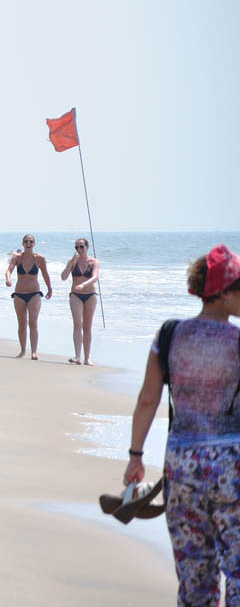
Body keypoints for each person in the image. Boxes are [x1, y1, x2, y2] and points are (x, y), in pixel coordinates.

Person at [124, 245, 240, 605]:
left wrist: (135, 456)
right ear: (221, 293)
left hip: (182, 466)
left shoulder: (169, 334)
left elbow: (147, 399)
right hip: (231, 467)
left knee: (194, 572)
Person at [5, 234, 52, 360]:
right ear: (23, 243)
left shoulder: (39, 258)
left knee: (33, 323)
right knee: (21, 323)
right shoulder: (17, 258)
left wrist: (49, 289)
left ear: (34, 243)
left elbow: (45, 274)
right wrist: (8, 279)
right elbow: (9, 270)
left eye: (30, 241)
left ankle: (34, 352)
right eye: (26, 241)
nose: (28, 243)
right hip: (19, 294)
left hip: (34, 293)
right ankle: (22, 350)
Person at [60, 237, 100, 365]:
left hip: (90, 295)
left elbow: (95, 277)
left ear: (87, 247)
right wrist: (71, 263)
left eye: (81, 246)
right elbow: (63, 277)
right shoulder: (72, 261)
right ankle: (77, 356)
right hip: (75, 295)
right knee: (77, 324)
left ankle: (87, 358)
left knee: (87, 327)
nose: (79, 249)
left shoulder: (93, 262)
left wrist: (83, 285)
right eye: (76, 247)